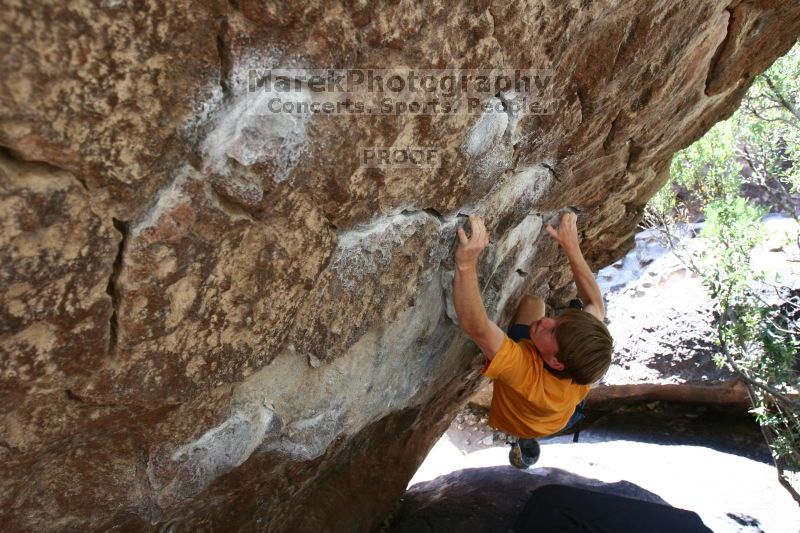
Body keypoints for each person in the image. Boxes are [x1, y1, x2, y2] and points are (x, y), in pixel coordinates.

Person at [453, 211, 613, 468]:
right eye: (558, 320)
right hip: (559, 416)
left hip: (515, 418)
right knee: (538, 304)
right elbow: (595, 305)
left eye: (552, 332)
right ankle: (527, 438)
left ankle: (520, 439)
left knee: (532, 305)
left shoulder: (526, 373)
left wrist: (466, 263)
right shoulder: (584, 363)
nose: (547, 321)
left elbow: (476, 326)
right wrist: (570, 246)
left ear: (557, 362)